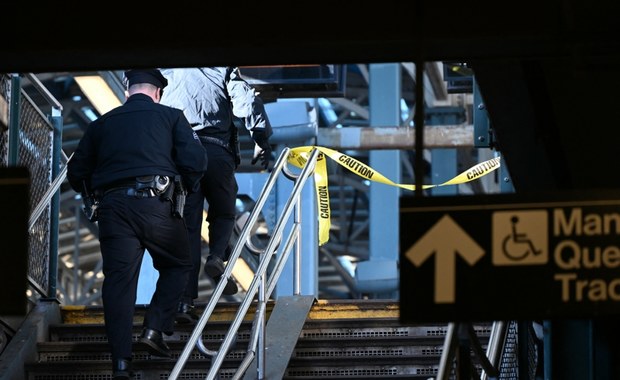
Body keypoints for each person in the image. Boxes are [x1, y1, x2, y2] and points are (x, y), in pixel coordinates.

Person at [66, 69, 208, 380]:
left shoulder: (101, 123)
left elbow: (75, 173)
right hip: (157, 204)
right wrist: (184, 185)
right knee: (178, 264)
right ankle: (154, 329)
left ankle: (120, 364)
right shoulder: (171, 117)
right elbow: (196, 162)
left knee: (119, 283)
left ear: (127, 89)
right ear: (158, 92)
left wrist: (98, 188)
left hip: (113, 209)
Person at [159, 67, 273, 323]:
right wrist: (261, 139)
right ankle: (217, 255)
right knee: (223, 211)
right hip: (217, 152)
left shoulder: (167, 70)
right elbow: (247, 101)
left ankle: (184, 302)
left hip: (183, 155)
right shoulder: (221, 68)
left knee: (187, 227)